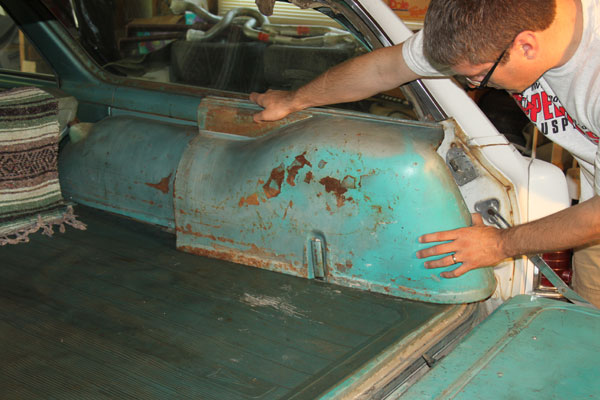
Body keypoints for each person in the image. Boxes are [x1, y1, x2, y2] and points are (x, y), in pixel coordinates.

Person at [249, 0, 600, 307]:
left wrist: (500, 243)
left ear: (526, 45)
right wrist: (297, 100)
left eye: (479, 76)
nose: (478, 86)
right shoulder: (485, 27)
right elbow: (384, 68)